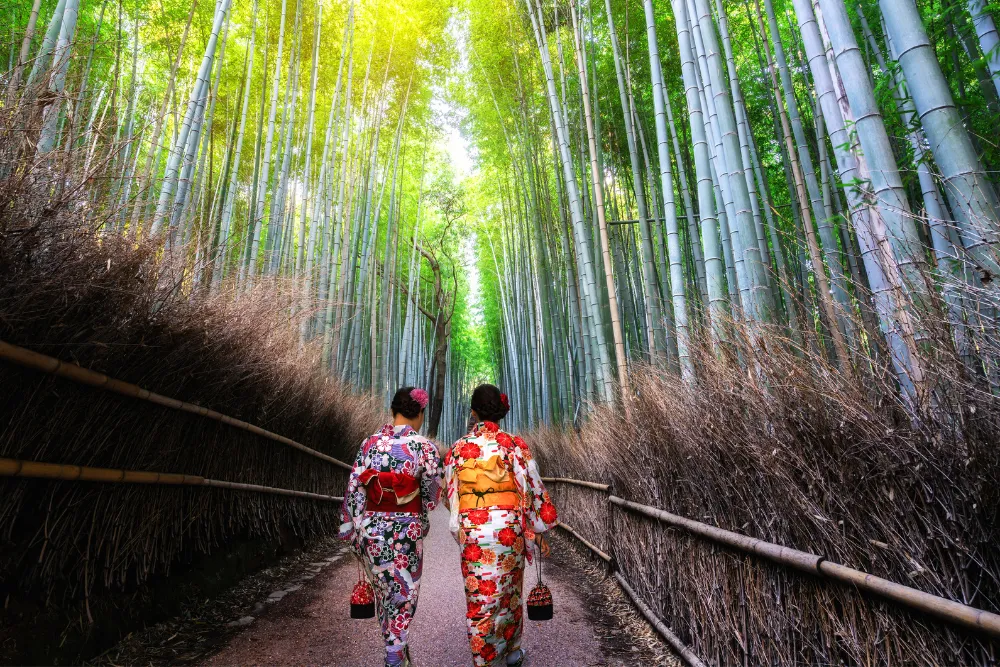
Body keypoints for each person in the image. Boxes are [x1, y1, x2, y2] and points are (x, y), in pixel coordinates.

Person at [444, 384, 558, 667]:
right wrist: (537, 529)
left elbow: (449, 492)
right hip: (508, 527)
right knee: (509, 592)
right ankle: (511, 652)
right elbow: (532, 487)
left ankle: (485, 658)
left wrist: (464, 519)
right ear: (501, 411)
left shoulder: (458, 449)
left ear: (473, 411)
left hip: (473, 526)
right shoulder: (514, 444)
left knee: (480, 594)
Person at [339, 387, 442, 667]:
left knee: (386, 593)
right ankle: (395, 657)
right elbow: (433, 497)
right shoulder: (425, 447)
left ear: (393, 410)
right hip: (407, 532)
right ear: (419, 413)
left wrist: (352, 526)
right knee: (404, 595)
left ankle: (396, 647)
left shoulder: (368, 444)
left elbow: (355, 488)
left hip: (372, 529)